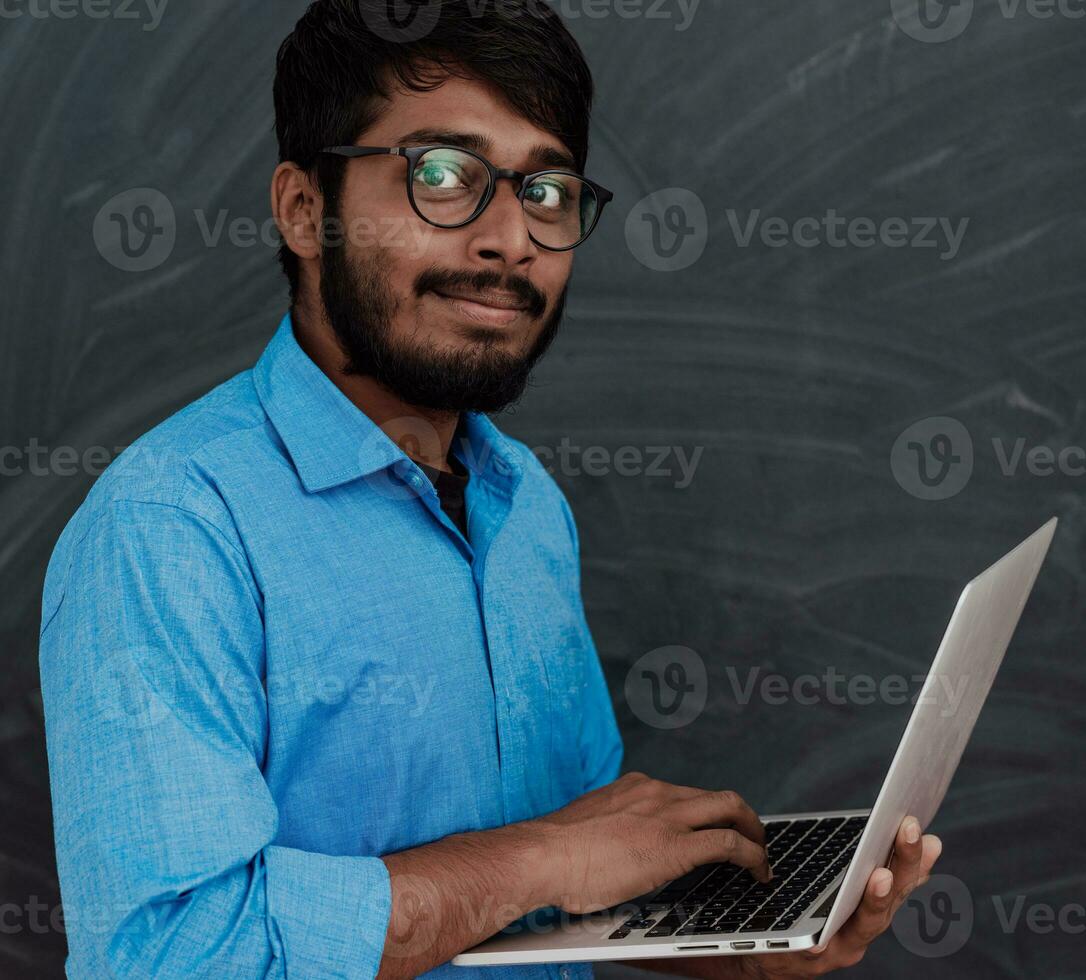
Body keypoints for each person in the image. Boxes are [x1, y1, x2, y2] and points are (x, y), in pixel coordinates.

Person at [38, 2, 941, 977]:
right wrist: (543, 853)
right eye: (439, 174)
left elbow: (569, 891)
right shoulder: (171, 526)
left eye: (546, 189)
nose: (512, 236)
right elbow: (171, 953)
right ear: (304, 209)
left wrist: (737, 952)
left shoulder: (528, 507)